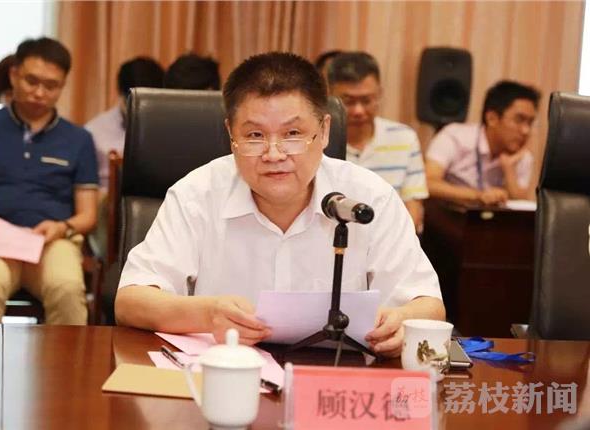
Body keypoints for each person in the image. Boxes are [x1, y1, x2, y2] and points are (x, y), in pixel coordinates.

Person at [115, 52, 444, 357]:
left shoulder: (369, 198)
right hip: (223, 375)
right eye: (255, 136)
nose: (274, 154)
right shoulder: (196, 195)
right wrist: (207, 314)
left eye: (293, 133)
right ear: (231, 134)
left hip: (336, 381)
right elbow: (130, 301)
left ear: (324, 131)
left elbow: (428, 305)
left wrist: (401, 321)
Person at [0, 37, 99, 324]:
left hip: (53, 242)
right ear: (14, 75)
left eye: (51, 86)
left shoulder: (79, 139)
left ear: (63, 86)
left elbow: (88, 215)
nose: (39, 93)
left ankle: (68, 357)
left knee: (66, 287)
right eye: (32, 81)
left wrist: (62, 227)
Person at [327, 52, 428, 233]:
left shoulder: (404, 138)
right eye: (348, 101)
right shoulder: (318, 140)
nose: (358, 111)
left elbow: (413, 207)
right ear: (330, 95)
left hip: (390, 238)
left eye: (366, 100)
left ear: (379, 94)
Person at [425, 80, 541, 205]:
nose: (526, 130)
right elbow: (428, 183)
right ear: (492, 118)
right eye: (519, 120)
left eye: (530, 122)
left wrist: (509, 169)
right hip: (449, 214)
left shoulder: (522, 156)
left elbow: (521, 205)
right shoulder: (455, 137)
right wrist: (478, 196)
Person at [85, 57, 164, 191]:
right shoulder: (93, 132)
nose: (140, 110)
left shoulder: (171, 132)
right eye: (133, 102)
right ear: (120, 93)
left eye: (148, 103)